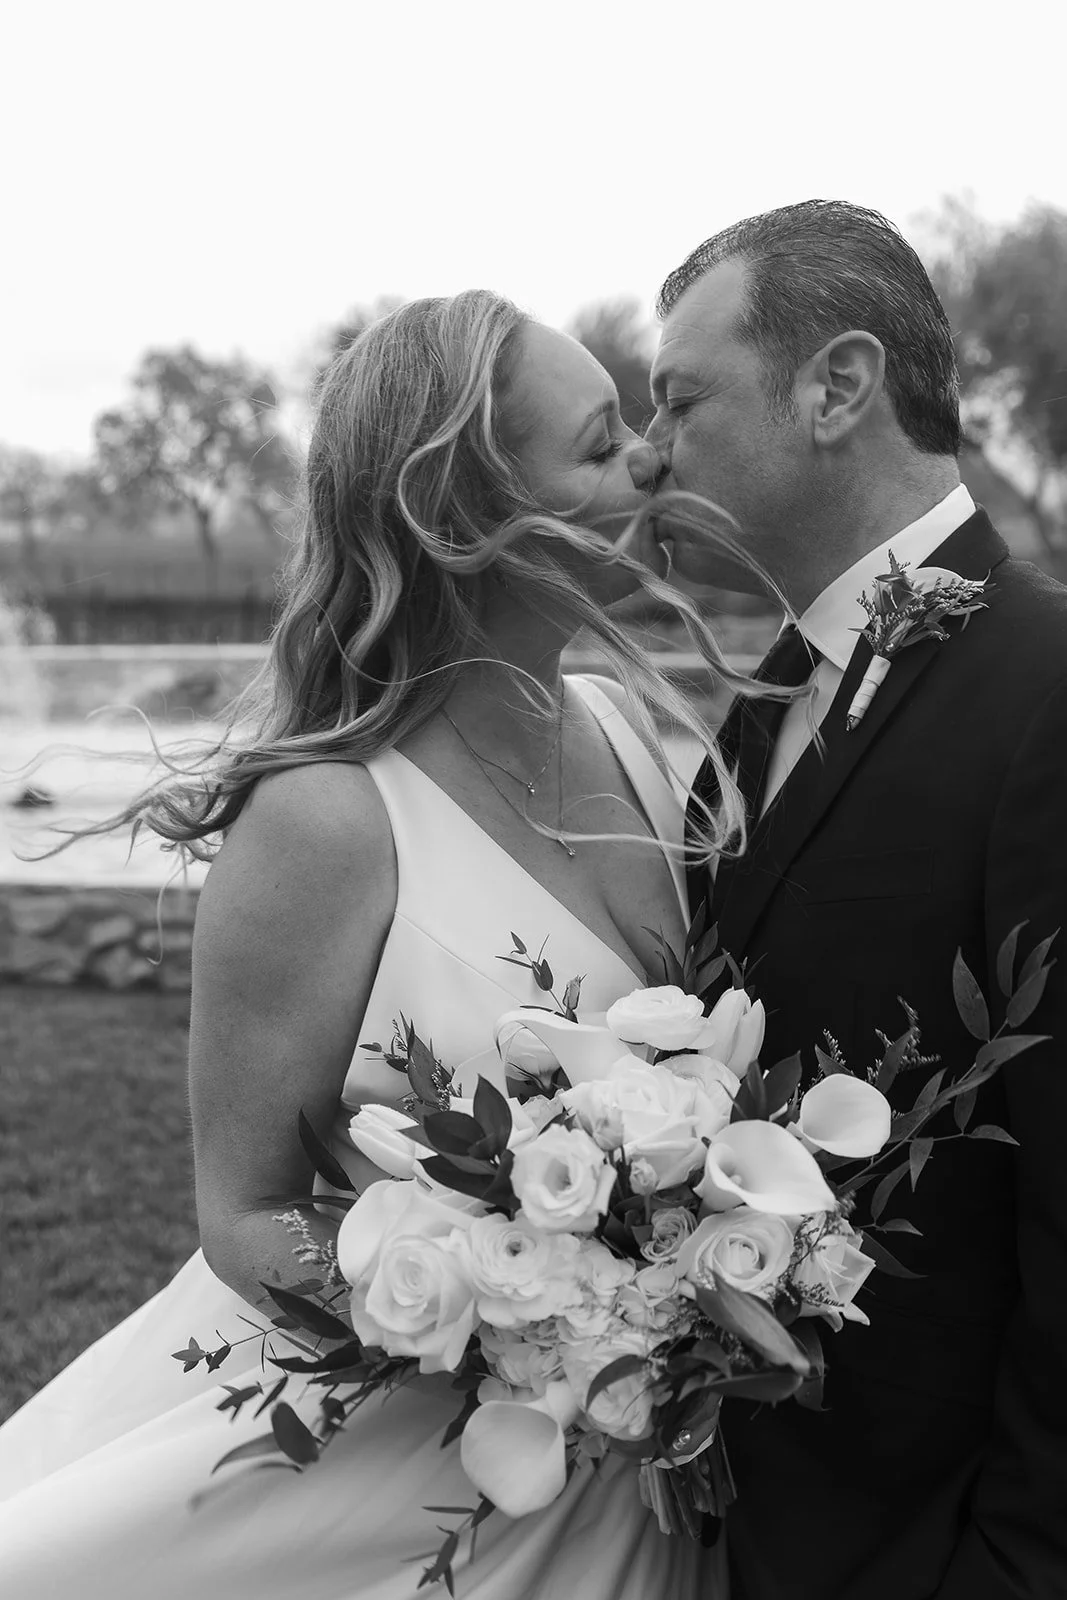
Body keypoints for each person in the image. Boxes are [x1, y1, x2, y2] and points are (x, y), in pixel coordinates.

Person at [0, 292, 748, 1599]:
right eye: (593, 444)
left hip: (624, 1463)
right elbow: (242, 1212)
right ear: (461, 519)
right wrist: (522, 1314)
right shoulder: (326, 822)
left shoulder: (621, 728)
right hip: (382, 1478)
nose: (645, 463)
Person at [638, 200, 1067, 1600]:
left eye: (681, 400)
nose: (650, 453)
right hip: (746, 1521)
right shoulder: (763, 703)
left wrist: (1014, 1564)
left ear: (836, 387)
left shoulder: (1046, 685)